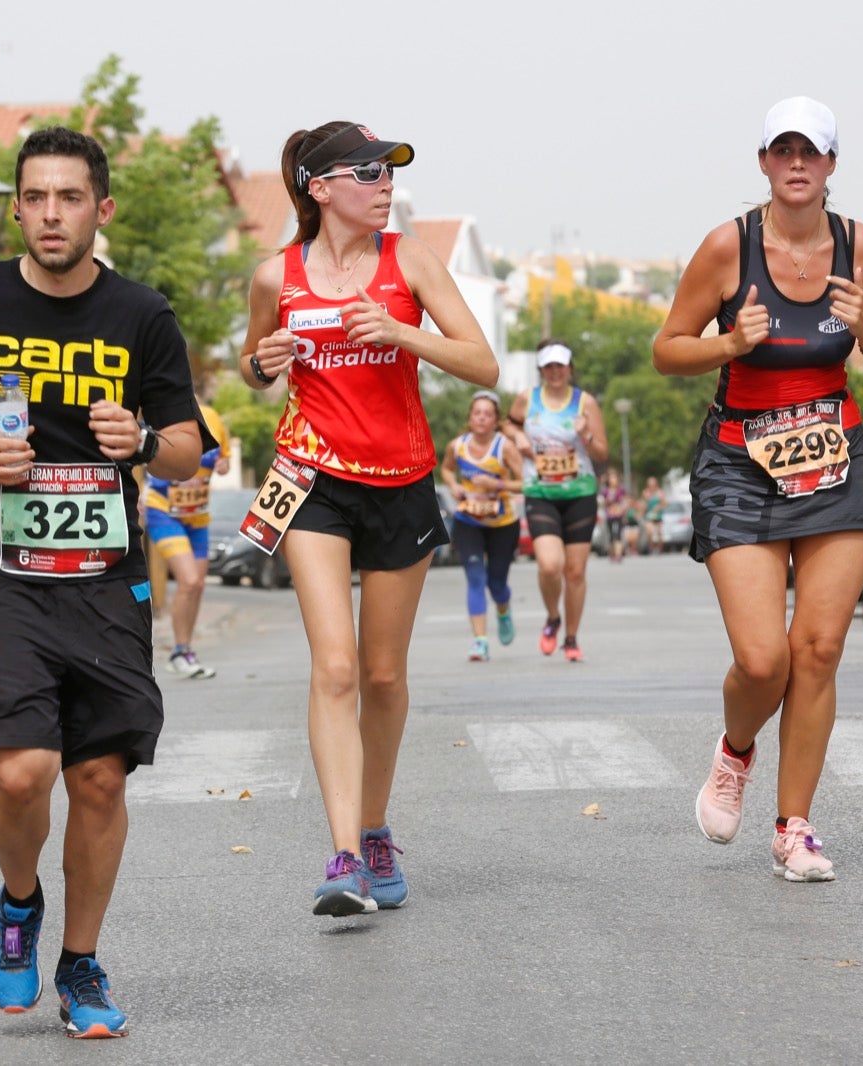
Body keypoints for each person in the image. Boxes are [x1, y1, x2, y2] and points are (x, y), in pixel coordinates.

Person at [0, 126, 213, 1038]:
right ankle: (19, 903)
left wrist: (145, 444)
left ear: (99, 210)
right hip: (4, 575)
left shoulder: (142, 314)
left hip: (110, 582)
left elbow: (190, 440)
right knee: (24, 769)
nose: (49, 214)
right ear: (18, 207)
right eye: (34, 197)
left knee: (102, 779)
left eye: (68, 198)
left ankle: (79, 963)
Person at [240, 120, 497, 916]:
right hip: (311, 478)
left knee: (384, 675)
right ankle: (345, 854)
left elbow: (483, 362)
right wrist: (262, 364)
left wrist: (402, 333)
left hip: (402, 480)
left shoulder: (409, 262)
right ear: (321, 189)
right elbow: (252, 366)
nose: (385, 184)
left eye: (390, 172)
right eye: (368, 172)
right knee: (338, 668)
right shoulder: (273, 274)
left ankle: (377, 824)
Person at [653, 96, 863, 882]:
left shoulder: (859, 246)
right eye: (782, 149)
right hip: (739, 460)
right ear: (763, 163)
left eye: (813, 151)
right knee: (764, 661)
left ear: (831, 165)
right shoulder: (727, 248)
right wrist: (731, 342)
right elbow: (668, 349)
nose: (797, 162)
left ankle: (794, 827)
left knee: (820, 649)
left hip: (835, 458)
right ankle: (734, 753)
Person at [508, 339, 609, 662]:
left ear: (569, 369)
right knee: (550, 566)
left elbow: (602, 453)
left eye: (560, 366)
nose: (555, 372)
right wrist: (517, 436)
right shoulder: (527, 399)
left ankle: (571, 637)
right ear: (541, 370)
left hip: (579, 493)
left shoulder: (585, 403)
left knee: (575, 572)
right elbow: (507, 423)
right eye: (548, 367)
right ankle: (553, 616)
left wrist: (586, 436)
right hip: (540, 492)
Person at [143, 402, 232, 677]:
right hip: (163, 511)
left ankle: (185, 650)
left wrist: (222, 463)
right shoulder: (160, 414)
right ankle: (179, 651)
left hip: (198, 516)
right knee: (189, 580)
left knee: (198, 585)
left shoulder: (213, 418)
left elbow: (224, 459)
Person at [440, 389, 523, 660]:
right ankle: (480, 641)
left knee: (496, 583)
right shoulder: (458, 445)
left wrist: (497, 484)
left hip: (502, 522)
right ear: (470, 417)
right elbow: (447, 469)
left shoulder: (505, 447)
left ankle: (503, 609)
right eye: (477, 413)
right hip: (468, 520)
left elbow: (525, 482)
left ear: (496, 419)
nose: (482, 418)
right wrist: (453, 486)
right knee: (476, 578)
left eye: (488, 414)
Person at [599, 469, 627, 563]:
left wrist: (622, 510)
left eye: (614, 478)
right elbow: (602, 502)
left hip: (619, 514)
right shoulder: (606, 491)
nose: (613, 480)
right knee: (611, 534)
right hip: (609, 515)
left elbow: (625, 501)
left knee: (618, 534)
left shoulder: (621, 490)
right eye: (611, 478)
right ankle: (612, 553)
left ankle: (619, 554)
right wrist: (608, 501)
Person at [641, 476, 666, 554]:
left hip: (658, 515)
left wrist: (658, 507)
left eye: (653, 483)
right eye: (650, 484)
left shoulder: (660, 492)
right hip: (649, 515)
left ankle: (659, 548)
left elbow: (665, 503)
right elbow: (644, 504)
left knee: (659, 533)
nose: (651, 485)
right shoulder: (645, 492)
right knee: (649, 532)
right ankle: (652, 547)